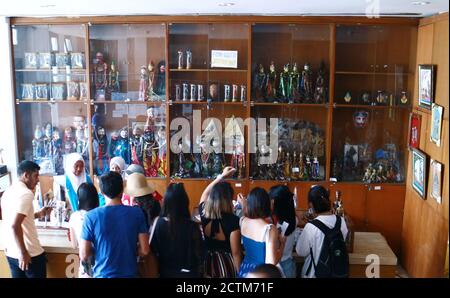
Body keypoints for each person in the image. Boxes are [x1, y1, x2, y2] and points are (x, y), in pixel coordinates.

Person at [79, 171, 149, 278]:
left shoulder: (90, 217)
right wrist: (129, 250)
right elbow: (145, 250)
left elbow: (84, 255)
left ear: (102, 192)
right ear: (122, 190)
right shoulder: (137, 213)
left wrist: (99, 251)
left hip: (102, 274)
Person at [1, 161, 52, 278]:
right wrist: (23, 253)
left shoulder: (8, 192)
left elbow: (16, 218)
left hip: (11, 253)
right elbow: (15, 225)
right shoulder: (26, 193)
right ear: (26, 175)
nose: (38, 180)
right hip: (29, 254)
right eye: (36, 176)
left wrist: (38, 214)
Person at [150, 183, 204, 278]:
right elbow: (199, 254)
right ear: (185, 202)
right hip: (189, 274)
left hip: (164, 273)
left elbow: (153, 252)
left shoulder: (158, 223)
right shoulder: (193, 226)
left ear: (166, 202)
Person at [295, 185, 348, 278]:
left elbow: (301, 251)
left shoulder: (310, 227)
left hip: (314, 274)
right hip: (337, 271)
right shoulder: (341, 221)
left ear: (311, 205)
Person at [198, 166, 242, 278]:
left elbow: (205, 193)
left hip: (207, 262)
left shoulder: (203, 212)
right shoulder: (233, 221)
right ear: (228, 199)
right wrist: (240, 274)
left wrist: (221, 176)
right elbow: (236, 253)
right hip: (225, 265)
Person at [238, 187, 284, 277]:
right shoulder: (269, 229)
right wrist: (282, 246)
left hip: (245, 270)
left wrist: (243, 204)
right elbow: (271, 263)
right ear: (266, 204)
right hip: (261, 273)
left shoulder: (242, 221)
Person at [68, 183, 99, 277]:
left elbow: (74, 245)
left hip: (85, 268)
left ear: (79, 199)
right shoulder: (100, 215)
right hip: (101, 266)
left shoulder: (74, 216)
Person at [269, 185, 299, 278]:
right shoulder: (293, 218)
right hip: (288, 263)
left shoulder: (276, 224)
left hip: (277, 265)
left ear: (275, 202)